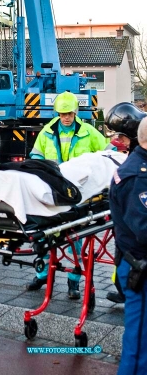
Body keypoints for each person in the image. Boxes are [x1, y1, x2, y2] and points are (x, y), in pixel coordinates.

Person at [27, 91, 113, 299]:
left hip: (79, 195)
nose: (66, 117)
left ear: (75, 112)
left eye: (69, 113)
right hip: (54, 192)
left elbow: (107, 152)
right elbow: (36, 157)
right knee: (44, 234)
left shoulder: (89, 132)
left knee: (75, 238)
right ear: (58, 112)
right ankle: (42, 273)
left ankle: (74, 280)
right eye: (62, 113)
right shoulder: (47, 132)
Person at [109, 115, 147, 375]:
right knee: (139, 338)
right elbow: (143, 228)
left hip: (135, 261)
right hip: (139, 266)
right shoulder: (138, 176)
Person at [104, 102, 147, 304]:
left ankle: (123, 289)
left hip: (133, 255)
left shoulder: (136, 170)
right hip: (133, 257)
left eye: (121, 137)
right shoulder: (135, 171)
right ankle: (123, 289)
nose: (117, 141)